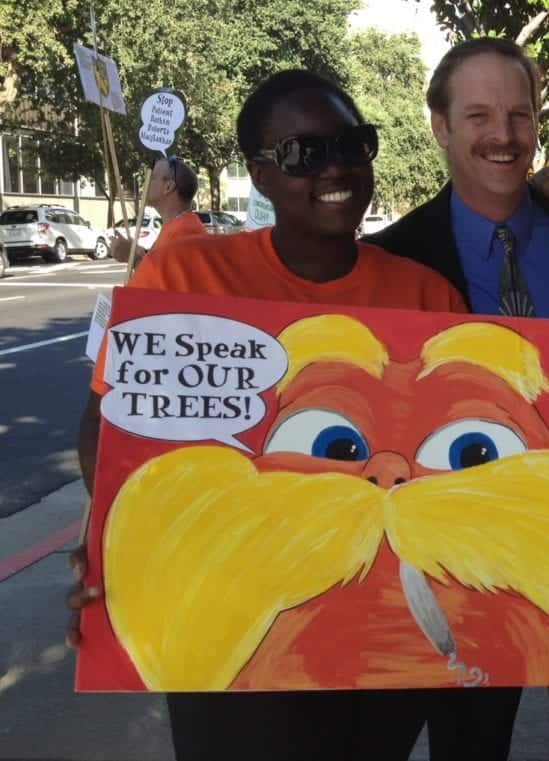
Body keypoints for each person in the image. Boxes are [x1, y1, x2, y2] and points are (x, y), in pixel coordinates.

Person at [69, 69, 465, 761]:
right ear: (258, 173)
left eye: (352, 144)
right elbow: (106, 428)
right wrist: (112, 537)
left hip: (384, 631)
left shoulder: (427, 297)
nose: (337, 166)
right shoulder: (182, 279)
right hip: (230, 625)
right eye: (303, 154)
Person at [365, 36, 549, 761]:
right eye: (478, 116)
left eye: (520, 115)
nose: (503, 135)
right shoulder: (396, 259)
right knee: (468, 740)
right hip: (456, 542)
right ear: (439, 126)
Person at [110, 155, 206, 264]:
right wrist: (137, 251)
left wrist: (134, 258)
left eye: (152, 178)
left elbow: (166, 278)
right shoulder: (179, 226)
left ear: (168, 187)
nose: (145, 184)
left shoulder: (183, 233)